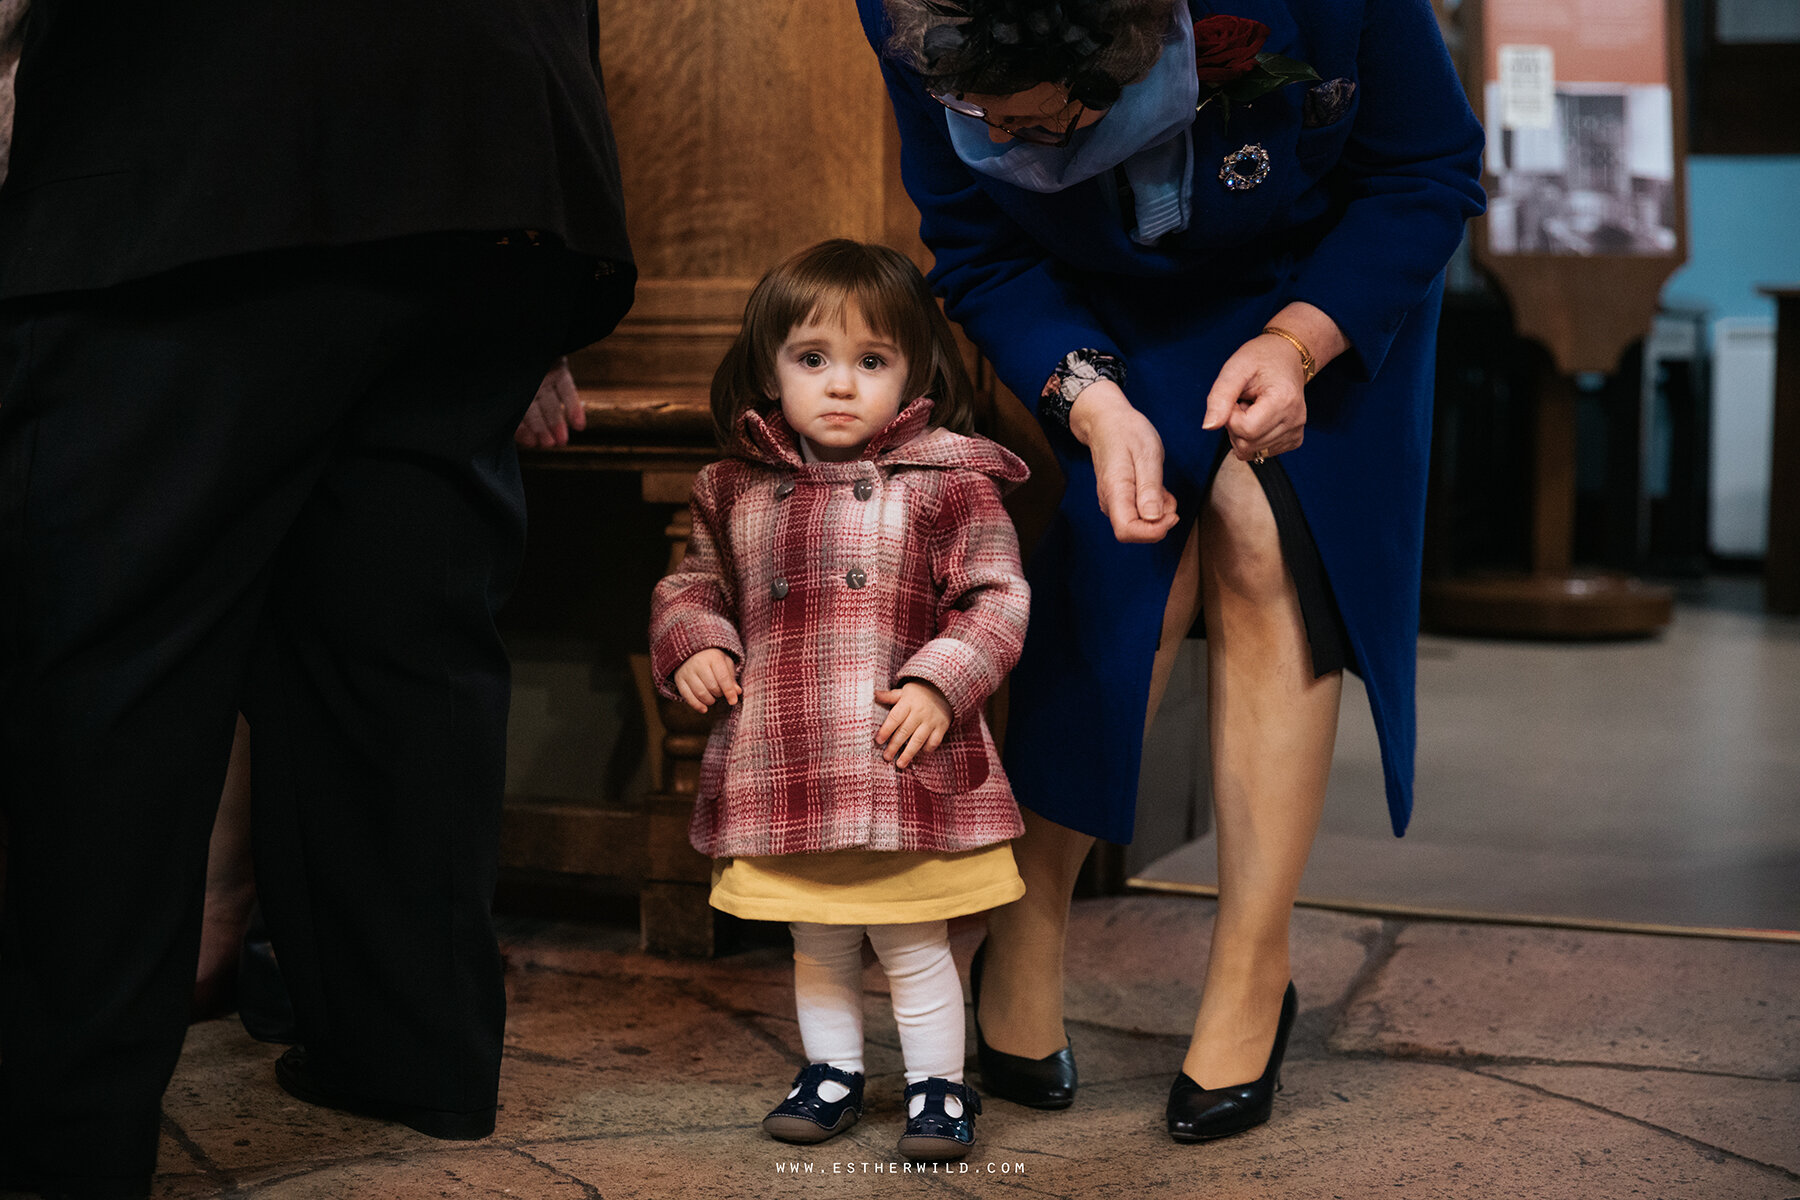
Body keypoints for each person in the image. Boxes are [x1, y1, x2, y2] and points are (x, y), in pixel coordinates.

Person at [0, 3, 634, 1195]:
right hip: (501, 156)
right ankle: (407, 1050)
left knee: (120, 654)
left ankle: (62, 1137)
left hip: (196, 141)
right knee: (403, 627)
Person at [857, 0, 1485, 1141]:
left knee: (1257, 529)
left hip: (1324, 272)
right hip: (1091, 296)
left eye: (1038, 123)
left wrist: (1301, 341)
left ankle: (1254, 961)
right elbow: (977, 238)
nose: (1007, 142)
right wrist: (1089, 401)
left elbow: (1427, 168)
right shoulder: (915, 12)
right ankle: (1025, 915)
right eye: (987, 120)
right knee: (1131, 536)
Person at [649, 239, 1031, 1162]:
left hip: (900, 760)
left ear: (914, 372)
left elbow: (997, 595)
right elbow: (691, 585)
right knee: (815, 938)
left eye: (872, 362)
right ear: (768, 366)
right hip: (787, 756)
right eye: (812, 360)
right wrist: (697, 641)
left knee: (910, 939)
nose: (840, 386)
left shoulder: (950, 482)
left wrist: (944, 679)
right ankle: (831, 1073)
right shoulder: (731, 488)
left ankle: (939, 1087)